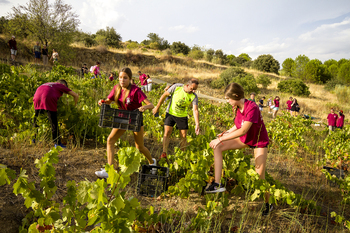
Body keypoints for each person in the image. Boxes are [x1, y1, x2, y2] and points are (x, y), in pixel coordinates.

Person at [205, 83, 272, 215]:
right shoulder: (237, 107)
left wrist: (221, 139)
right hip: (246, 139)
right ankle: (217, 184)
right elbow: (237, 125)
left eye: (228, 99)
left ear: (236, 96)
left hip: (258, 141)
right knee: (218, 147)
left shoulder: (252, 107)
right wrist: (225, 133)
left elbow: (243, 130)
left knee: (260, 177)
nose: (227, 101)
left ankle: (267, 204)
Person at [95, 67, 156, 178]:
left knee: (140, 147)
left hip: (135, 119)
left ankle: (152, 162)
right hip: (122, 118)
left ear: (130, 79)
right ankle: (110, 170)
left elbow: (151, 105)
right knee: (110, 140)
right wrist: (103, 101)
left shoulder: (136, 90)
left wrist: (144, 107)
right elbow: (109, 100)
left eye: (125, 78)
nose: (122, 80)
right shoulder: (116, 88)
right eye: (120, 78)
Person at [152, 79, 200, 159]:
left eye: (195, 89)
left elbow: (195, 110)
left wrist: (197, 123)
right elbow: (164, 95)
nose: (193, 91)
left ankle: (182, 156)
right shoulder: (177, 87)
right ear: (187, 85)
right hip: (170, 113)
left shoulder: (194, 96)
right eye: (192, 89)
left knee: (183, 136)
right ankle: (164, 153)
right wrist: (157, 107)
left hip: (182, 116)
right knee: (167, 132)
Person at [33, 80, 79, 148]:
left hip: (36, 97)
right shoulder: (61, 86)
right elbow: (76, 96)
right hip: (48, 97)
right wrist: (73, 107)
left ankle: (34, 139)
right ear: (64, 85)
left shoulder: (47, 83)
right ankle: (57, 143)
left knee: (36, 119)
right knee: (53, 122)